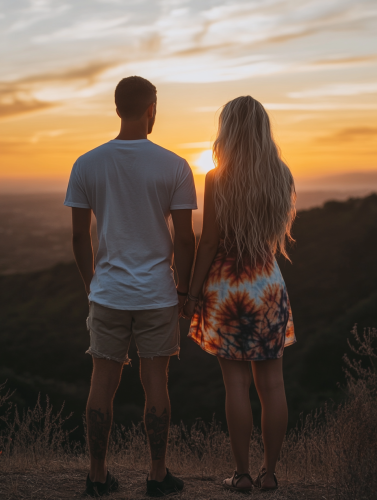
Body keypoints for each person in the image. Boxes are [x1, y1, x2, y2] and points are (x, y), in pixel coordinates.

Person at [64, 76, 197, 498]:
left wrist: (92, 286)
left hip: (108, 293)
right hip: (158, 292)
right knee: (156, 381)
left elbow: (79, 237)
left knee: (101, 381)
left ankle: (98, 476)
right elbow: (186, 239)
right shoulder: (174, 165)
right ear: (151, 108)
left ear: (118, 107)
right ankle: (157, 476)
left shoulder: (87, 163)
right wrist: (184, 292)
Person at [183, 96, 296, 492]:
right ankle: (269, 474)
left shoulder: (218, 177)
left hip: (228, 289)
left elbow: (210, 240)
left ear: (227, 130)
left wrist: (192, 293)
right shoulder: (281, 175)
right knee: (273, 386)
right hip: (268, 287)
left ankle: (243, 475)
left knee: (236, 386)